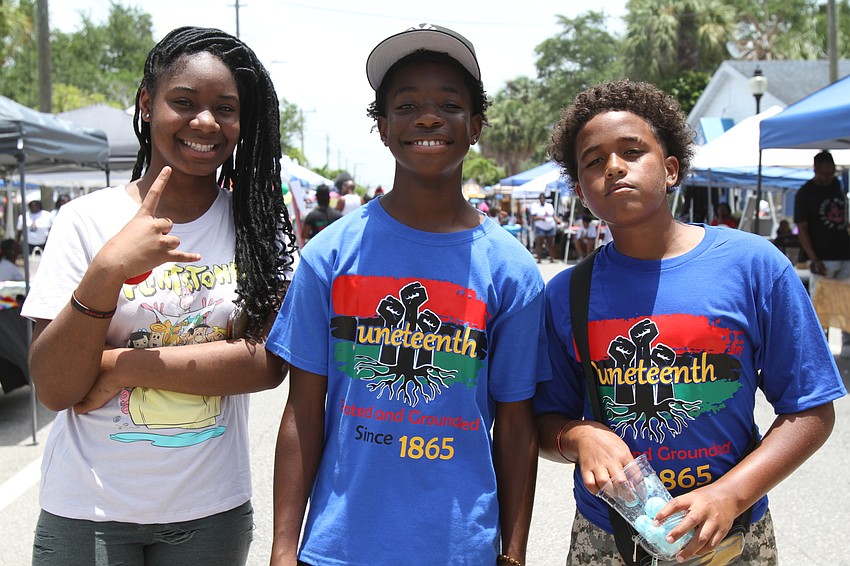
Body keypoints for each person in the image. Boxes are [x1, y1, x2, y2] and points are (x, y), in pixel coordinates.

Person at [266, 23, 549, 566]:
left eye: (449, 103)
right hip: (338, 547)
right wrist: (283, 551)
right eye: (406, 105)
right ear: (381, 126)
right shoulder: (330, 256)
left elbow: (516, 426)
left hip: (460, 550)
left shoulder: (510, 269)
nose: (427, 116)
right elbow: (302, 412)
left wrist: (512, 555)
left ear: (475, 126)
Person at [534, 80, 844, 565]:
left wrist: (730, 494)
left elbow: (811, 410)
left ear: (671, 168)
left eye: (633, 151)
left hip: (732, 537)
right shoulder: (565, 295)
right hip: (607, 540)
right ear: (580, 190)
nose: (613, 166)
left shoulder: (752, 266)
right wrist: (576, 437)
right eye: (593, 161)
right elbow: (542, 423)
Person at [21, 26, 296, 566]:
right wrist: (108, 270)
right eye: (184, 102)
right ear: (147, 104)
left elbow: (265, 363)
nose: (205, 122)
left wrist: (122, 366)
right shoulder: (85, 221)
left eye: (226, 108)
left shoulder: (260, 230)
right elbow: (56, 386)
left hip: (209, 512)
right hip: (88, 511)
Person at [794, 150, 850, 353]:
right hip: (822, 258)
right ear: (815, 170)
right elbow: (802, 230)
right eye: (824, 175)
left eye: (831, 174)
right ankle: (819, 348)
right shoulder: (805, 193)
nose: (828, 179)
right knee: (820, 307)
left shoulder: (837, 185)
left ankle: (847, 345)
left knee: (846, 302)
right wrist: (814, 258)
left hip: (844, 254)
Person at [531, 191, 560, 262]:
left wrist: (559, 221)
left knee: (550, 243)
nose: (542, 199)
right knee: (540, 243)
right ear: (539, 199)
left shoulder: (549, 206)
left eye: (543, 198)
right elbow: (533, 217)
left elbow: (553, 216)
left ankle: (552, 258)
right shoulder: (535, 206)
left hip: (550, 226)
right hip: (540, 227)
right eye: (541, 198)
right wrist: (541, 218)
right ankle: (539, 259)